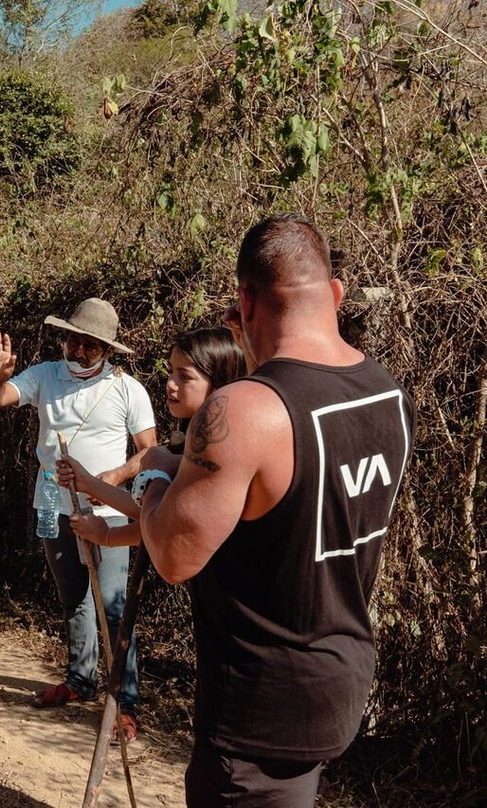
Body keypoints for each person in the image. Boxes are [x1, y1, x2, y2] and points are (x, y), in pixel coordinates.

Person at [135, 215, 415, 806]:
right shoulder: (388, 394)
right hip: (337, 683)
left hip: (256, 709)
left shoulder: (246, 411)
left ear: (244, 301)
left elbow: (172, 554)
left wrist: (157, 474)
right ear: (335, 294)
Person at [0, 297, 158, 742]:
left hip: (108, 514)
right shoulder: (45, 374)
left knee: (115, 608)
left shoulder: (127, 389)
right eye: (71, 339)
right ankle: (80, 681)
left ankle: (126, 703)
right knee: (74, 596)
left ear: (108, 350)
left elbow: (150, 452)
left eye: (89, 345)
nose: (77, 350)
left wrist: (113, 477)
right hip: (52, 505)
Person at [61, 326, 246, 549]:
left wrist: (107, 535)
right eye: (171, 372)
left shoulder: (219, 450)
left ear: (219, 383)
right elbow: (154, 508)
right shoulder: (194, 438)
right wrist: (88, 483)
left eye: (184, 376)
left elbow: (170, 522)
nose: (170, 383)